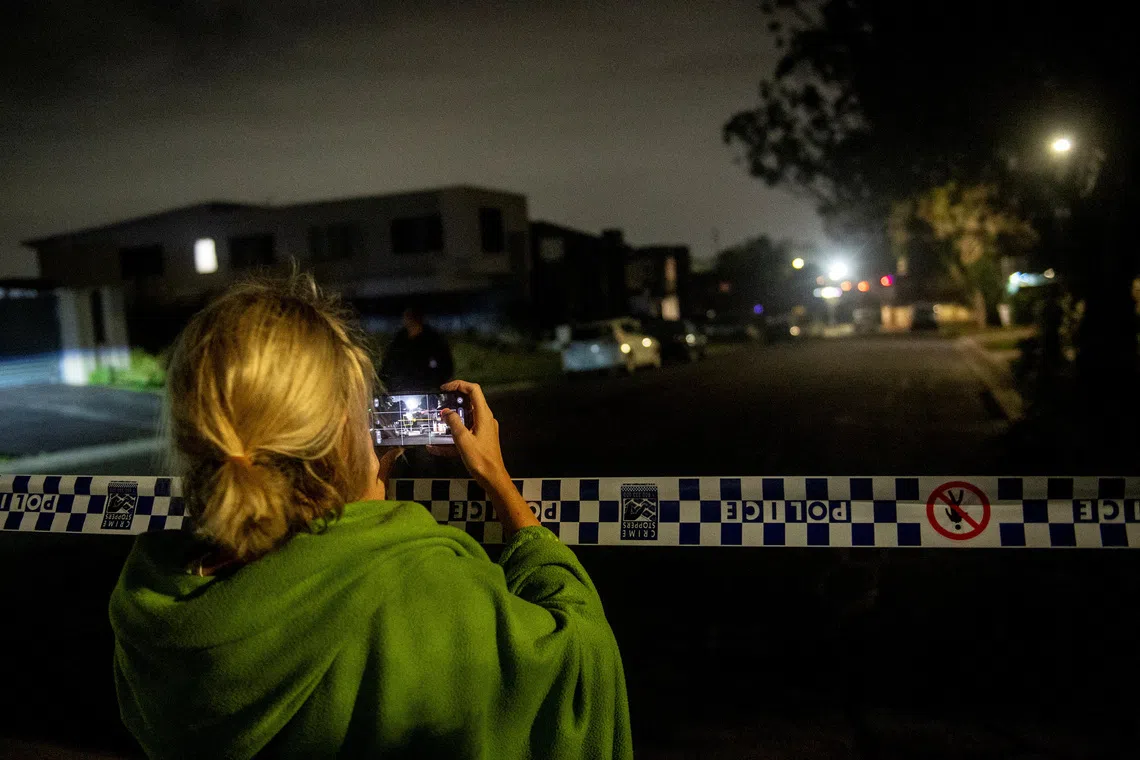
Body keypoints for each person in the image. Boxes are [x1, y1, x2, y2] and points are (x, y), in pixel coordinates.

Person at [108, 275, 632, 760]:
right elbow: (579, 664)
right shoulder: (418, 589)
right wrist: (498, 481)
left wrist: (356, 488)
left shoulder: (154, 616)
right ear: (342, 427)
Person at [379, 307, 454, 391]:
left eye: (410, 316)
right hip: (402, 389)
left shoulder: (433, 340)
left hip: (427, 389)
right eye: (407, 316)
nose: (407, 320)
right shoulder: (399, 340)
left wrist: (437, 384)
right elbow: (389, 363)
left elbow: (445, 366)